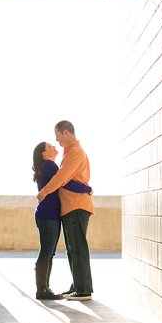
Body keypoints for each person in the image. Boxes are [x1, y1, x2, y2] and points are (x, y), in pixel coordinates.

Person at [36, 120, 95, 300]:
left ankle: (83, 289)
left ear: (66, 133)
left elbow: (62, 178)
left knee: (77, 248)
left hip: (76, 206)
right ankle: (77, 285)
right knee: (73, 249)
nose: (57, 140)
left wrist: (44, 192)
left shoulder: (75, 152)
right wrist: (87, 189)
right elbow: (67, 179)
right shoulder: (69, 153)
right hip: (71, 207)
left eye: (58, 136)